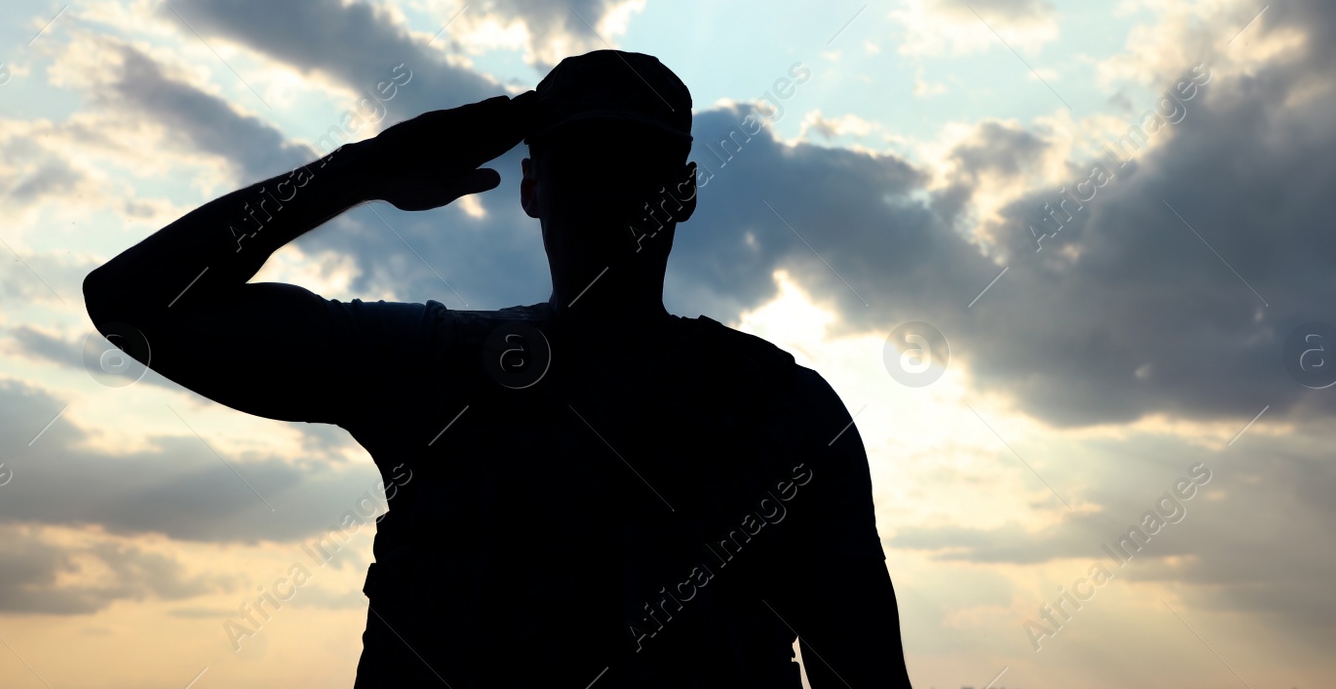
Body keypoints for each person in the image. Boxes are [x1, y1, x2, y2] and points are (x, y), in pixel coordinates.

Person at [83, 49, 913, 688]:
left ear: (683, 191)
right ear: (531, 189)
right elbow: (134, 302)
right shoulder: (431, 366)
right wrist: (359, 172)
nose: (609, 192)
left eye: (637, 168)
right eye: (581, 166)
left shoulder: (788, 415)